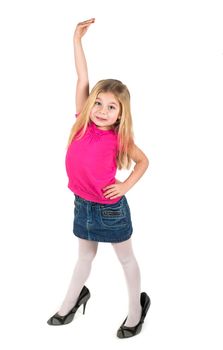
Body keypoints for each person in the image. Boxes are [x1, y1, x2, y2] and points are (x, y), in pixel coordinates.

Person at [47, 18, 151, 339]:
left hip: (110, 208)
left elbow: (143, 162)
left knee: (126, 258)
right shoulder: (83, 122)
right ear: (90, 104)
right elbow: (82, 76)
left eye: (111, 107)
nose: (103, 110)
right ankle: (72, 300)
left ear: (121, 114)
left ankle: (136, 310)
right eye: (99, 103)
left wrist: (124, 186)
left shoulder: (119, 139)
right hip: (82, 205)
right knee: (84, 256)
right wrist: (76, 40)